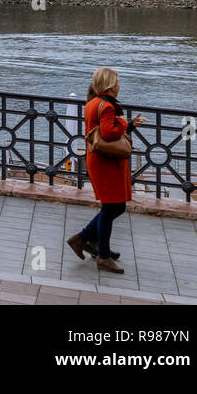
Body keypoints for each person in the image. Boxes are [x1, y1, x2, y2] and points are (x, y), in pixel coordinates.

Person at [67, 67, 145, 273]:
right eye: (118, 82)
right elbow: (110, 134)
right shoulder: (108, 106)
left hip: (98, 159)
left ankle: (88, 242)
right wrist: (122, 122)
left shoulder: (92, 103)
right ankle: (100, 253)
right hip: (106, 162)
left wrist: (129, 125)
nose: (120, 86)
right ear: (110, 85)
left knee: (114, 207)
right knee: (112, 207)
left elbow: (103, 131)